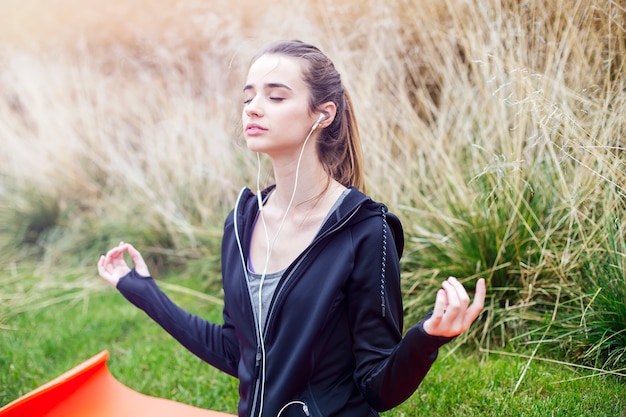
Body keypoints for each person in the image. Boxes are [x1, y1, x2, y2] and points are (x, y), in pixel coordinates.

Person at [98, 39, 486, 417]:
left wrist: (427, 337)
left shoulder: (365, 230)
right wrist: (143, 291)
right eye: (248, 97)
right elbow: (237, 351)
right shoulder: (240, 223)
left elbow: (377, 386)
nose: (253, 109)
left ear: (323, 114)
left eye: (276, 97)